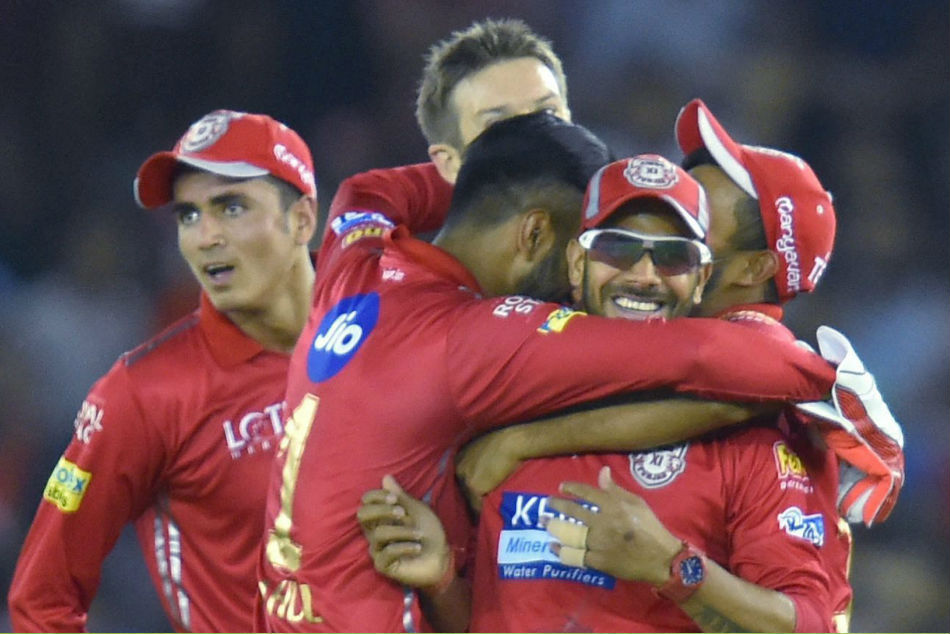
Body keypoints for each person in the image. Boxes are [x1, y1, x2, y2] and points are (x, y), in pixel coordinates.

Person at [257, 112, 838, 633]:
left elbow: (365, 191)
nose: (643, 275)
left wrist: (676, 568)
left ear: (706, 272)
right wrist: (442, 581)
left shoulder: (355, 260)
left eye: (675, 254)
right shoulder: (504, 371)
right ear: (573, 256)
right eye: (615, 247)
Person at [7, 110, 318, 632]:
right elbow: (42, 598)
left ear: (302, 219)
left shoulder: (385, 328)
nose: (204, 237)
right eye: (188, 215)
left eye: (231, 207)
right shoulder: (142, 393)